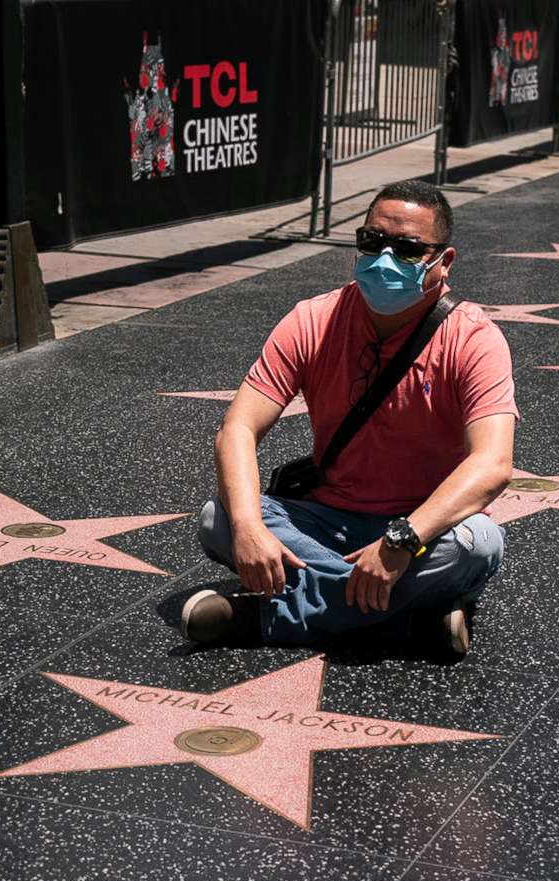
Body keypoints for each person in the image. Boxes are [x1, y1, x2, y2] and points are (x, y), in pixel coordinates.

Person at [185, 180, 514, 657]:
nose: (384, 258)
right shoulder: (312, 319)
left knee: (478, 543)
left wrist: (400, 542)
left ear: (443, 262)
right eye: (372, 242)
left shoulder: (474, 339)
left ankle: (265, 617)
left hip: (421, 528)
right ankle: (407, 621)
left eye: (406, 249)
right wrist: (251, 529)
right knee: (222, 518)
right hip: (326, 517)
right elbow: (238, 427)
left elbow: (493, 464)